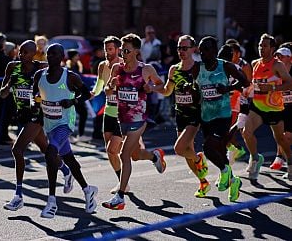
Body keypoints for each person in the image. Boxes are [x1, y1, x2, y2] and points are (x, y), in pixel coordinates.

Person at [0, 40, 72, 211]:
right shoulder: (12, 67)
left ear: (33, 54)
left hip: (39, 115)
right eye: (20, 51)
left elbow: (60, 77)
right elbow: (2, 93)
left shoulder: (41, 68)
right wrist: (8, 86)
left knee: (17, 150)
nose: (21, 55)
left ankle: (18, 195)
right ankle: (66, 170)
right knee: (46, 150)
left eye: (26, 52)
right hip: (23, 115)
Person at [32, 43, 98, 218]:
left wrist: (73, 101)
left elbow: (86, 94)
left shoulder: (70, 77)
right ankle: (87, 189)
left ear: (62, 57)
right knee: (68, 158)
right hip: (49, 124)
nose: (50, 57)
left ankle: (51, 201)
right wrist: (35, 103)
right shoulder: (39, 75)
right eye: (48, 54)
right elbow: (34, 95)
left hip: (65, 123)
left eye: (54, 54)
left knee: (50, 153)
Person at [102, 34, 166, 210]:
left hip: (139, 120)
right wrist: (111, 85)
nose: (122, 53)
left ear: (136, 51)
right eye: (122, 49)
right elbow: (107, 92)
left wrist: (150, 88)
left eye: (126, 50)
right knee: (135, 156)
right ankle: (155, 156)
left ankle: (120, 197)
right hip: (121, 119)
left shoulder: (146, 70)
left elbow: (162, 85)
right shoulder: (117, 68)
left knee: (123, 154)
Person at [193, 36, 250, 202]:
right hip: (206, 116)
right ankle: (234, 181)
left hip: (223, 115)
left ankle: (225, 172)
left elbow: (245, 83)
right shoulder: (197, 68)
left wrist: (227, 88)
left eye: (206, 50)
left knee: (209, 147)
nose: (202, 53)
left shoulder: (226, 66)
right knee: (218, 150)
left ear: (213, 50)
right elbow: (196, 90)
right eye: (200, 50)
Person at [159, 35, 210, 198]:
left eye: (185, 48)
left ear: (193, 49)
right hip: (180, 114)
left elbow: (208, 91)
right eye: (179, 48)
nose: (181, 51)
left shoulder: (199, 68)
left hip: (195, 114)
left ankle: (198, 159)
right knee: (188, 150)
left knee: (179, 149)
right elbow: (167, 90)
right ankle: (203, 183)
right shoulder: (174, 69)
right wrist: (153, 87)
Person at [242, 34, 292, 181]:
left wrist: (271, 88)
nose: (261, 49)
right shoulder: (255, 63)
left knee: (281, 140)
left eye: (265, 46)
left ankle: (289, 160)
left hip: (274, 108)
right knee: (246, 132)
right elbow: (253, 84)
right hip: (257, 106)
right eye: (260, 46)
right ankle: (255, 158)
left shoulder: (278, 65)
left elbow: (289, 83)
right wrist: (247, 91)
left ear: (272, 48)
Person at [91, 36, 129, 193]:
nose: (107, 52)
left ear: (118, 49)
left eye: (110, 49)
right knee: (110, 151)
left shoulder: (124, 65)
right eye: (105, 49)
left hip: (122, 113)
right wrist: (92, 93)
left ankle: (153, 156)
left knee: (115, 150)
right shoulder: (102, 66)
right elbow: (99, 85)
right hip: (108, 112)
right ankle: (123, 182)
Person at [0, 32, 15, 145]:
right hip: (3, 88)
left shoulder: (0, 54)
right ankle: (0, 137)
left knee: (6, 113)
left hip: (4, 87)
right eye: (4, 42)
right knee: (2, 113)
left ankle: (3, 135)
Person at [270, 45, 292, 170]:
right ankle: (281, 158)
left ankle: (286, 160)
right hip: (280, 106)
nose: (278, 58)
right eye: (277, 56)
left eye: (281, 56)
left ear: (289, 58)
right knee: (280, 135)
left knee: (287, 137)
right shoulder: (276, 71)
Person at [66, 49, 89, 142]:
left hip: (78, 94)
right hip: (71, 94)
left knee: (83, 113)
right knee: (71, 115)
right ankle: (69, 135)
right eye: (76, 55)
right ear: (72, 57)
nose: (78, 57)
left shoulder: (77, 66)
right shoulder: (68, 67)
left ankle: (80, 134)